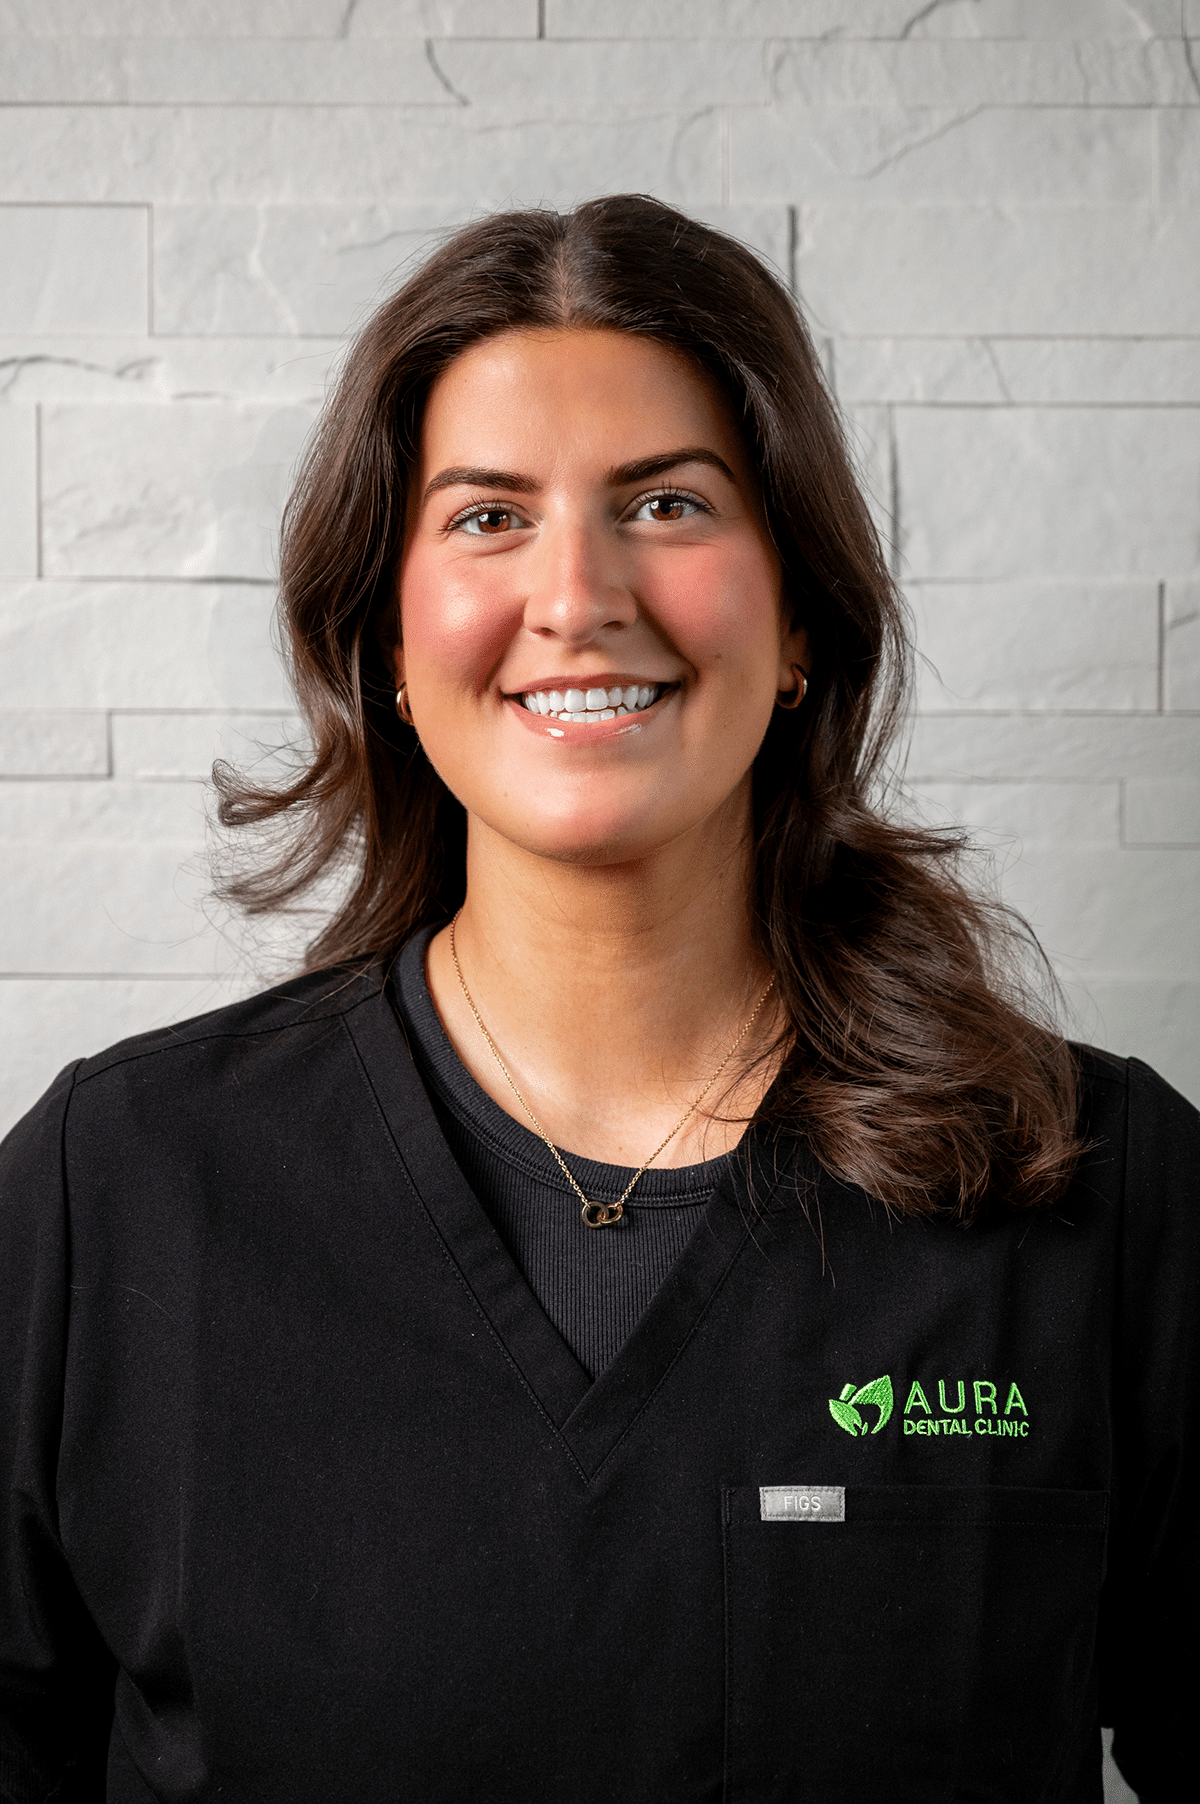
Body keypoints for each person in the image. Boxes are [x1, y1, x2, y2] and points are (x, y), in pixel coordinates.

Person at [0, 196, 1195, 1804]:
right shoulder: (115, 1187)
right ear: (387, 645)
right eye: (488, 518)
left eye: (668, 504)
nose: (578, 594)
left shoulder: (1105, 1194)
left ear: (800, 631)